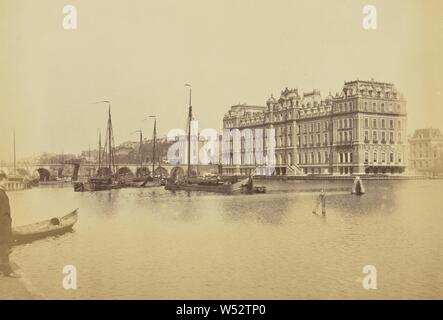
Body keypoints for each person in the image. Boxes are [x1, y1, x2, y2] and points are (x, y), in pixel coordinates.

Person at [0, 172, 19, 277]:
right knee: (5, 247)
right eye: (5, 180)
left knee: (1, 247)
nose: (6, 182)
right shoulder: (1, 193)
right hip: (3, 225)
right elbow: (3, 213)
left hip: (2, 224)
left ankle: (1, 268)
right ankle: (8, 271)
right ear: (1, 179)